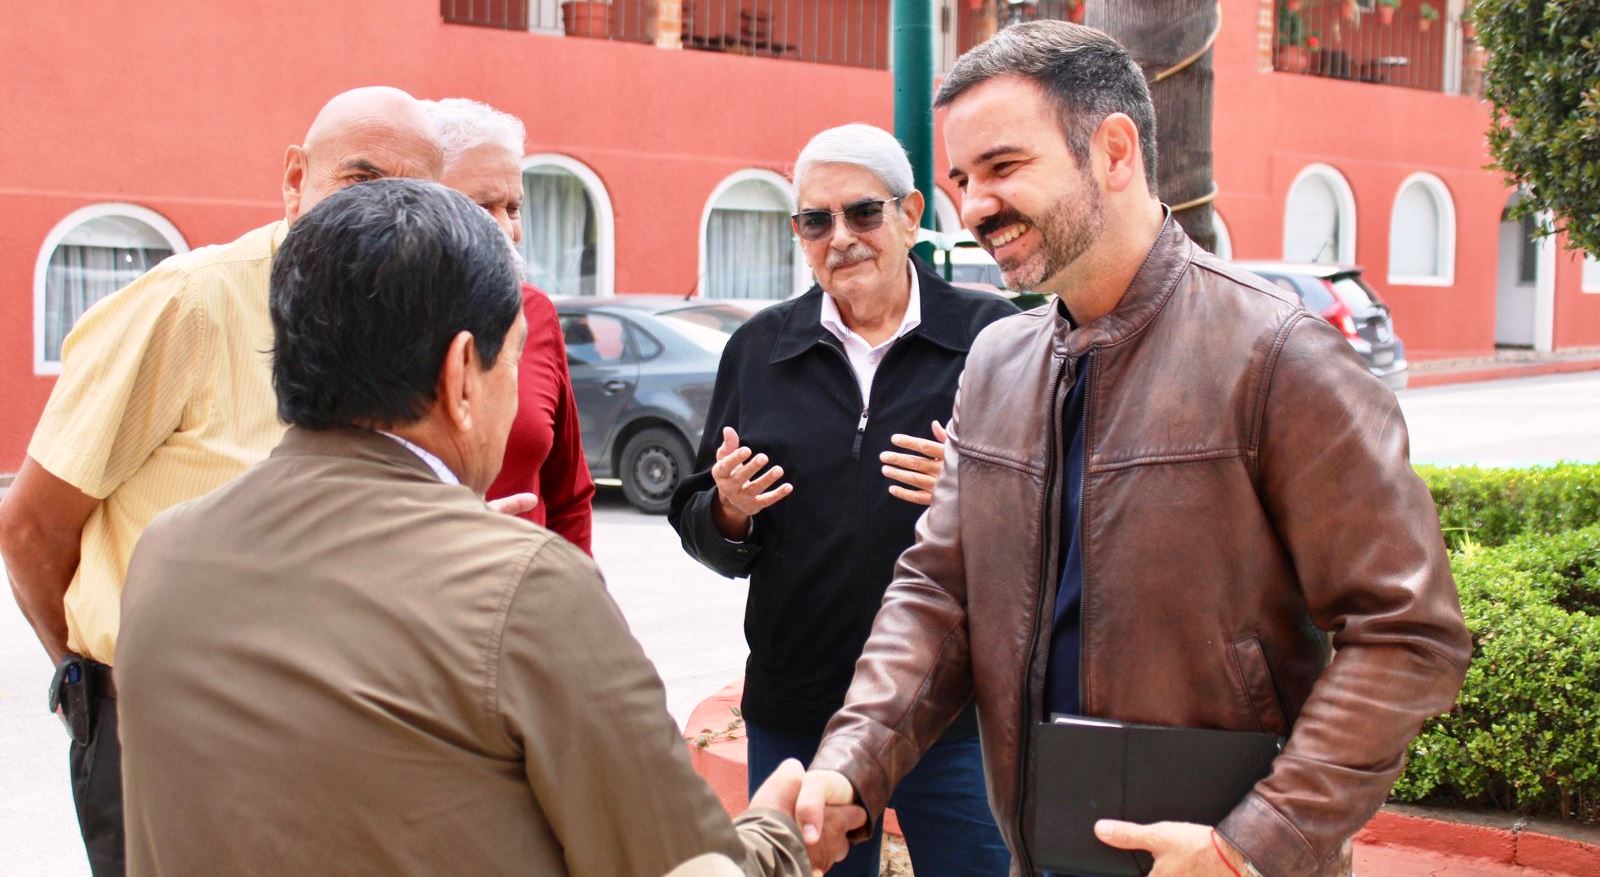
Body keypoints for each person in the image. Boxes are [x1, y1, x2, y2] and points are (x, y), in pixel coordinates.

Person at [795, 22, 1472, 877]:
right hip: (1041, 852)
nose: (973, 207)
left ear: (1114, 152)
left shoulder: (1277, 354)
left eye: (1003, 167)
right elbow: (939, 594)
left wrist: (1252, 844)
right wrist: (852, 762)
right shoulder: (998, 362)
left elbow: (1408, 630)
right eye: (962, 179)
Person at [114, 179, 863, 877]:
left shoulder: (167, 550)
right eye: (517, 358)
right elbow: (675, 866)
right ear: (462, 375)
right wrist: (781, 840)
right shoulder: (522, 587)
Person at [0, 86, 443, 877]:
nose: (379, 212)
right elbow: (32, 524)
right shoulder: (189, 302)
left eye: (410, 195)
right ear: (294, 178)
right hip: (165, 734)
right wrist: (89, 677)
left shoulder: (405, 333)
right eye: (359, 179)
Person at [669, 124, 1015, 877]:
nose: (842, 238)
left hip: (955, 713)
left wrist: (976, 490)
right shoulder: (760, 348)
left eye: (862, 212)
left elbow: (1061, 513)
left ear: (910, 214)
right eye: (816, 221)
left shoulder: (994, 338)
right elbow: (699, 524)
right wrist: (730, 509)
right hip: (799, 709)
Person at [425, 97, 594, 552]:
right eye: (482, 206)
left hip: (529, 589)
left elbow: (569, 495)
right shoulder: (372, 316)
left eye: (513, 208)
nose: (506, 230)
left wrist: (578, 587)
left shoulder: (535, 312)